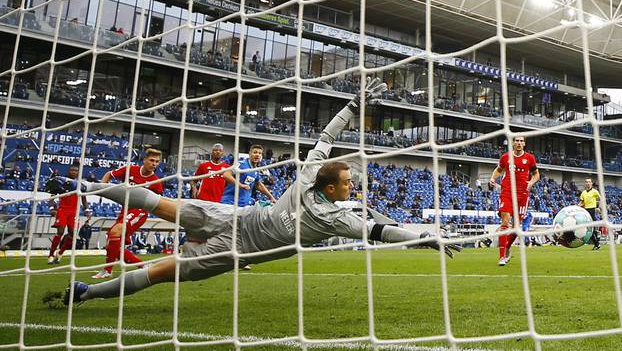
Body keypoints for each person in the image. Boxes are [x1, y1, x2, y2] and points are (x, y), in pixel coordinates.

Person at [61, 78, 461, 305]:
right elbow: (380, 233)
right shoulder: (331, 212)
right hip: (239, 225)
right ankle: (86, 187)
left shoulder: (313, 180)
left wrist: (354, 107)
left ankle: (87, 291)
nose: (352, 186)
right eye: (347, 182)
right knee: (165, 209)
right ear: (331, 186)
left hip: (241, 238)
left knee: (166, 254)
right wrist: (423, 237)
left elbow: (328, 137)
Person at [92, 149, 164, 279]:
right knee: (111, 244)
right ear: (144, 160)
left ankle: (107, 271)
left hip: (139, 211)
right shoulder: (131, 170)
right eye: (152, 160)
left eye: (157, 162)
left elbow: (159, 201)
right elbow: (109, 174)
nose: (154, 164)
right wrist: (101, 188)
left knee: (114, 233)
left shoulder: (156, 182)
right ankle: (143, 265)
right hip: (125, 209)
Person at [489, 135, 539, 266]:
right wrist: (493, 178)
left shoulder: (530, 158)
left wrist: (531, 182)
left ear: (524, 144)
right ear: (513, 143)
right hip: (507, 192)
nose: (519, 143)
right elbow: (499, 169)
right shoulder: (505, 157)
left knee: (516, 228)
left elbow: (536, 174)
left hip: (522, 194)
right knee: (505, 222)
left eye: (521, 141)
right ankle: (501, 257)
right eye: (517, 140)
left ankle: (506, 247)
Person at [45, 166, 91, 264]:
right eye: (72, 170)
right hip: (62, 210)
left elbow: (84, 199)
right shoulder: (62, 181)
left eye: (76, 171)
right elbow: (52, 197)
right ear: (68, 171)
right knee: (60, 231)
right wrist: (52, 208)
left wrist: (87, 210)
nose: (74, 172)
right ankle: (51, 255)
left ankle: (60, 253)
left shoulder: (80, 184)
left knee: (72, 234)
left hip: (74, 212)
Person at [578, 178, 602, 250]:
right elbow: (582, 203)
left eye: (589, 182)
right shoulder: (583, 193)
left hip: (592, 210)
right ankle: (597, 243)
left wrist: (599, 207)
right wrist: (576, 207)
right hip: (586, 211)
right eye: (587, 182)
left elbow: (601, 199)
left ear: (591, 183)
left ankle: (597, 243)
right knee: (589, 230)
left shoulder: (595, 191)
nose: (588, 183)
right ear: (585, 184)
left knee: (591, 230)